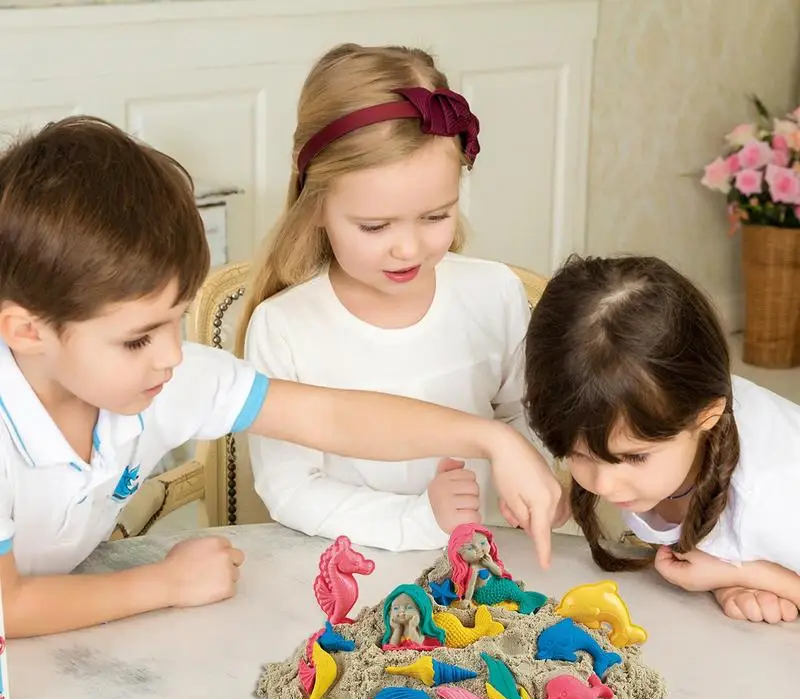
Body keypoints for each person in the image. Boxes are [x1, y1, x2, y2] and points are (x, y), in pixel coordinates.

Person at [0, 115, 564, 638]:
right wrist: (162, 584)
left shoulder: (168, 378)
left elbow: (332, 415)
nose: (172, 354)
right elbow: (8, 606)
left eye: (177, 320)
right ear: (26, 332)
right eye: (138, 338)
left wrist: (494, 438)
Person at [238, 43, 562, 553]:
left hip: (494, 562)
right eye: (374, 226)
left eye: (436, 217)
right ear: (315, 205)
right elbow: (290, 487)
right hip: (358, 574)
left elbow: (529, 414)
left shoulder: (493, 293)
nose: (408, 248)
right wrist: (417, 519)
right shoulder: (285, 327)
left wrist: (534, 477)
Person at [523, 253, 800, 624]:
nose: (603, 484)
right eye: (579, 454)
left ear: (707, 416)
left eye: (635, 457)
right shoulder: (648, 415)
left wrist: (741, 574)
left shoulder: (775, 494)